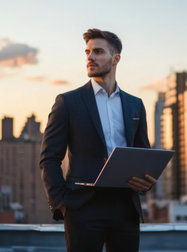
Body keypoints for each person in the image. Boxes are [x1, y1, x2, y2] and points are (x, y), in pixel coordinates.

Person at [40, 28, 156, 252]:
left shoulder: (135, 105)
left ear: (116, 59)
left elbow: (144, 156)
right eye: (87, 52)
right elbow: (49, 159)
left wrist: (147, 182)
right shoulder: (67, 102)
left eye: (98, 52)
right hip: (83, 208)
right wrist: (63, 205)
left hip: (126, 208)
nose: (90, 57)